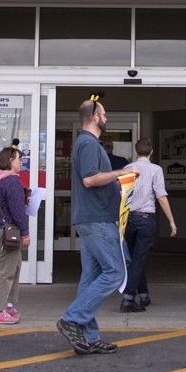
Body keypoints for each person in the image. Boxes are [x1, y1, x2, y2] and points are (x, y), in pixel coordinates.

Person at [57, 96, 140, 355]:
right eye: (103, 114)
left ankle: (90, 337)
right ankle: (72, 319)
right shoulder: (89, 144)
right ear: (94, 117)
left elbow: (95, 181)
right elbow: (90, 180)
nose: (106, 117)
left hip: (94, 218)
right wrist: (121, 172)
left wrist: (118, 185)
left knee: (90, 278)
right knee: (115, 272)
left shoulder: (88, 144)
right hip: (97, 220)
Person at [120, 137, 177, 312]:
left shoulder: (126, 169)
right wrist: (171, 221)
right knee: (138, 259)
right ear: (151, 152)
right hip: (146, 218)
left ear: (135, 152)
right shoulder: (156, 170)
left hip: (128, 218)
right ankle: (128, 298)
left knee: (137, 258)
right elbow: (161, 196)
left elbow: (121, 195)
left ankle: (143, 294)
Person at [0, 139, 30, 325]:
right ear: (10, 161)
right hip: (5, 231)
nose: (21, 162)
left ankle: (8, 306)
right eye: (19, 159)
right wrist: (25, 233)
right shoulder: (11, 182)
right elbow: (17, 211)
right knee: (5, 272)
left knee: (14, 267)